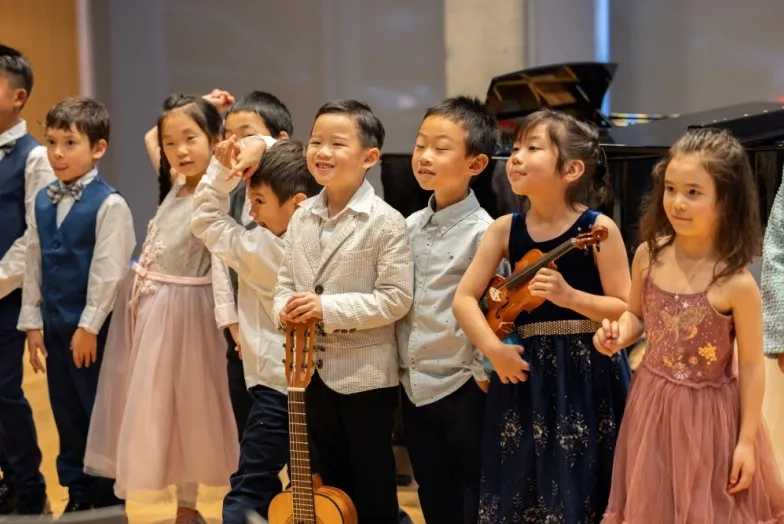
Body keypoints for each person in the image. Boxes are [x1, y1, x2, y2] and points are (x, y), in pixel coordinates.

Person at [595, 127, 784, 522]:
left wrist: (746, 441)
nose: (677, 202)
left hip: (712, 420)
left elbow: (750, 366)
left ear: (726, 201)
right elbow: (637, 317)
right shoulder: (648, 255)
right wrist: (618, 332)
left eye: (693, 192)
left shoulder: (736, 283)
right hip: (652, 406)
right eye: (670, 188)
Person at [452, 109, 632, 523]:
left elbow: (625, 306)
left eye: (532, 148)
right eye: (515, 148)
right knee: (521, 481)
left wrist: (570, 297)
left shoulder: (598, 227)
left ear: (571, 169)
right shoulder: (504, 229)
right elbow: (464, 299)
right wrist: (494, 351)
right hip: (524, 374)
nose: (515, 157)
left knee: (587, 483)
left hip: (589, 373)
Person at [84, 94, 238, 524]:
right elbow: (154, 133)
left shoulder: (217, 186)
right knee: (159, 409)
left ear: (214, 139)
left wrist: (212, 118)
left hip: (188, 312)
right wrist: (201, 105)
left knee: (188, 407)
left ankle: (188, 506)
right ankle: (183, 507)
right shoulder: (175, 181)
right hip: (151, 311)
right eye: (173, 144)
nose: (179, 150)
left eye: (191, 139)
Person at [270, 99, 413, 524]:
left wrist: (324, 308)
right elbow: (283, 284)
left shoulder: (385, 222)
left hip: (364, 378)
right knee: (323, 485)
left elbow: (394, 298)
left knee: (370, 488)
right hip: (307, 372)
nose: (322, 151)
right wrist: (285, 310)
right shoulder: (301, 217)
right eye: (315, 141)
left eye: (336, 143)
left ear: (370, 157)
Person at [192, 137, 320, 522]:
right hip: (327, 387)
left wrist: (221, 170)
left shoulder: (262, 249)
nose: (251, 209)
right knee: (337, 486)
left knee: (250, 488)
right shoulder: (326, 237)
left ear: (297, 204)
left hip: (277, 388)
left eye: (259, 201)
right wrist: (262, 146)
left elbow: (206, 218)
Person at [18, 96, 135, 513]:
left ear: (97, 148)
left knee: (97, 417)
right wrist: (32, 323)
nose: (57, 153)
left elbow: (108, 273)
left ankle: (106, 502)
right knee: (66, 415)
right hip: (55, 330)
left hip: (92, 334)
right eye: (51, 142)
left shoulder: (110, 204)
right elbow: (35, 260)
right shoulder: (43, 198)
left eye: (69, 143)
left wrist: (89, 327)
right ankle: (78, 495)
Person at [395, 95, 497, 524]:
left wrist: (479, 373)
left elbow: (496, 310)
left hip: (461, 385)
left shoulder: (485, 233)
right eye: (421, 146)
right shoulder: (408, 225)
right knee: (432, 490)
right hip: (414, 386)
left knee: (473, 492)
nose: (425, 157)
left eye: (441, 148)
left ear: (475, 164)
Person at [0, 43, 52, 516]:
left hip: (6, 294)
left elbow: (33, 232)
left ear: (18, 97)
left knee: (4, 391)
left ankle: (29, 488)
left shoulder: (34, 157)